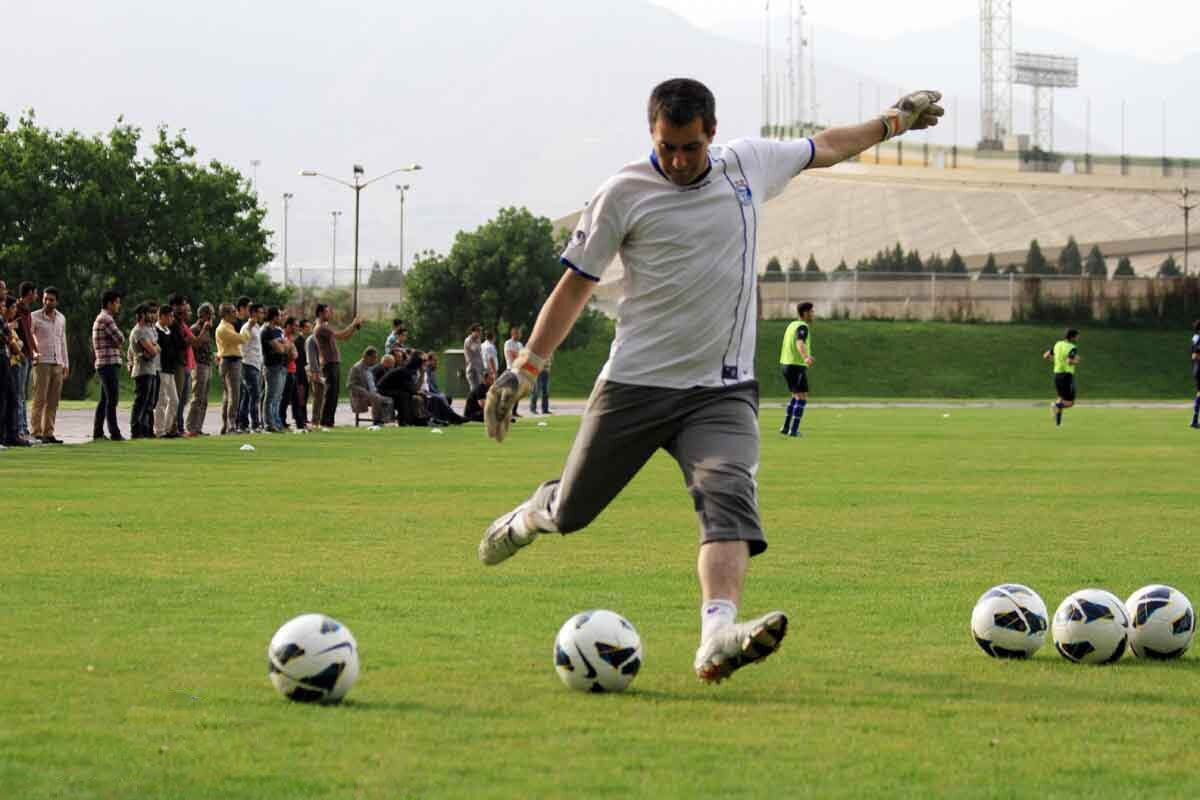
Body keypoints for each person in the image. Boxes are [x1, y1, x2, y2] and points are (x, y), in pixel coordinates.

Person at [479, 78, 943, 684]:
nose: (676, 160)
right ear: (653, 134)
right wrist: (524, 369)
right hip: (635, 386)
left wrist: (892, 122)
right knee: (571, 512)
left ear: (712, 134)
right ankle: (525, 518)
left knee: (728, 496)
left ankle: (716, 636)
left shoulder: (747, 165)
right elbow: (575, 287)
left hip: (720, 390)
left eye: (689, 148)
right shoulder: (621, 193)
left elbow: (824, 146)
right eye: (666, 146)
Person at [29, 286, 69, 444]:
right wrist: (33, 356)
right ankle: (36, 432)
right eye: (45, 299)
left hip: (57, 362)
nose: (47, 302)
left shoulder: (61, 318)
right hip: (41, 362)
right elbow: (30, 339)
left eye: (51, 300)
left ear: (56, 301)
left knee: (53, 400)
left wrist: (66, 363)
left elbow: (63, 342)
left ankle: (49, 432)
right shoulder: (34, 317)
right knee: (39, 398)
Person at [312, 303, 362, 428]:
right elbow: (340, 335)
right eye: (327, 312)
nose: (330, 314)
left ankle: (329, 421)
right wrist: (353, 324)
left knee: (334, 393)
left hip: (333, 362)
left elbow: (345, 337)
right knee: (330, 393)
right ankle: (325, 422)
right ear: (320, 313)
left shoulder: (326, 327)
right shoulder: (321, 328)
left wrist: (354, 327)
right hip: (329, 362)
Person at [91, 289, 126, 441]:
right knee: (113, 399)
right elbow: (120, 338)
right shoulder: (107, 319)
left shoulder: (102, 318)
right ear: (110, 303)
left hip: (104, 363)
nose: (119, 305)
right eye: (117, 302)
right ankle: (115, 433)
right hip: (108, 362)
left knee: (105, 400)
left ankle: (98, 432)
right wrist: (117, 342)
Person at [214, 302, 254, 435]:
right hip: (230, 361)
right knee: (234, 395)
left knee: (229, 395)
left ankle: (227, 425)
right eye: (232, 312)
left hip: (231, 361)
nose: (235, 314)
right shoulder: (224, 328)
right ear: (225, 314)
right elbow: (242, 339)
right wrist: (249, 328)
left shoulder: (229, 326)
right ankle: (231, 425)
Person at [779, 302, 815, 438]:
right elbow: (800, 342)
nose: (813, 314)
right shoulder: (802, 326)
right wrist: (806, 357)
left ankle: (786, 427)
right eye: (812, 312)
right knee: (802, 396)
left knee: (796, 395)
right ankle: (793, 430)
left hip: (786, 364)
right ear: (805, 313)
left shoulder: (791, 325)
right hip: (796, 365)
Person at [128, 302, 161, 439]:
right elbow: (153, 351)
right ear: (141, 315)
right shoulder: (138, 331)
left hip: (151, 369)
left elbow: (157, 348)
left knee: (149, 403)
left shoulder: (149, 330)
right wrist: (152, 349)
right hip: (142, 370)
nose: (152, 315)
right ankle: (136, 430)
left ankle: (147, 430)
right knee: (141, 402)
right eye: (149, 313)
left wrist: (152, 349)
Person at [185, 303, 215, 437]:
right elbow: (195, 345)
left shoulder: (207, 329)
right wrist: (204, 329)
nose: (212, 317)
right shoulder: (195, 328)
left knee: (204, 399)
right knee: (197, 397)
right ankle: (191, 427)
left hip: (207, 365)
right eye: (210, 314)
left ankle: (198, 427)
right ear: (203, 315)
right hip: (199, 366)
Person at [153, 304, 181, 438]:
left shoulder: (168, 331)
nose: (172, 319)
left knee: (174, 401)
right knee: (162, 400)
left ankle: (168, 428)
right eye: (170, 316)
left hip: (170, 370)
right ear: (162, 316)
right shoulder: (156, 330)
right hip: (161, 369)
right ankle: (159, 430)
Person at [13, 281, 36, 439]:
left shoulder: (27, 311)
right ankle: (19, 427)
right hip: (19, 356)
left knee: (23, 393)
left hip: (27, 355)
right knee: (19, 393)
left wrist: (34, 350)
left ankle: (23, 426)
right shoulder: (17, 309)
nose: (37, 296)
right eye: (35, 293)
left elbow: (28, 333)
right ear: (29, 293)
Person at [1043, 328, 1080, 427]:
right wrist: (1077, 361)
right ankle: (1055, 405)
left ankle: (1058, 424)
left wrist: (1057, 361)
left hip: (1057, 375)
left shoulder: (1057, 344)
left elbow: (1046, 356)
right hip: (1067, 376)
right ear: (1072, 337)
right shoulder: (1072, 347)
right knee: (1070, 402)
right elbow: (1069, 361)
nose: (1078, 338)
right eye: (1077, 336)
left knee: (1060, 398)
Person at [348, 346, 394, 425]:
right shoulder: (356, 368)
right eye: (374, 358)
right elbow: (351, 385)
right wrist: (365, 392)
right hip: (360, 396)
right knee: (376, 398)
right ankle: (377, 421)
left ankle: (385, 420)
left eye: (376, 358)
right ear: (366, 357)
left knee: (389, 400)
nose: (376, 360)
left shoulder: (370, 367)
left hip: (373, 393)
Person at [261, 307, 289, 432]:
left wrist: (284, 345)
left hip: (282, 365)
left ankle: (277, 422)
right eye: (279, 315)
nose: (281, 318)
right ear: (274, 317)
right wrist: (284, 345)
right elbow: (281, 349)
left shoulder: (278, 331)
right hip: (271, 366)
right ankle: (269, 423)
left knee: (278, 397)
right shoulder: (266, 331)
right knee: (271, 396)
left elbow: (289, 346)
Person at [171, 296, 195, 435]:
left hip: (186, 364)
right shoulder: (175, 324)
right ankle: (175, 427)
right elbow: (185, 343)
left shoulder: (182, 324)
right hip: (178, 365)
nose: (185, 309)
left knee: (184, 398)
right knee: (177, 398)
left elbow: (193, 341)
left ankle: (178, 426)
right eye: (183, 306)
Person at [292, 318, 312, 431]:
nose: (309, 330)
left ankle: (303, 417)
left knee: (304, 396)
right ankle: (300, 418)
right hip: (300, 372)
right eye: (307, 327)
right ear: (302, 328)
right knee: (300, 396)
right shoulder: (299, 341)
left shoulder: (304, 341)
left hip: (304, 372)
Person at [305, 320, 324, 430]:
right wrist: (315, 372)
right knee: (317, 396)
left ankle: (318, 420)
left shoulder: (318, 339)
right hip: (314, 371)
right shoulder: (311, 340)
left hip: (319, 370)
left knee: (320, 396)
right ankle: (315, 421)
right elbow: (311, 358)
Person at [463, 323, 484, 393]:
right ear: (473, 331)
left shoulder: (478, 340)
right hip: (471, 367)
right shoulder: (468, 340)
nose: (480, 333)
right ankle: (472, 402)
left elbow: (480, 354)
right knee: (473, 388)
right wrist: (477, 340)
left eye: (480, 331)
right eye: (478, 331)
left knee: (479, 388)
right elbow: (474, 349)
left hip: (478, 367)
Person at [1191, 320, 1200, 429]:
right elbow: (1194, 356)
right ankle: (1194, 420)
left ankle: (1195, 419)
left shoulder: (1195, 338)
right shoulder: (1198, 339)